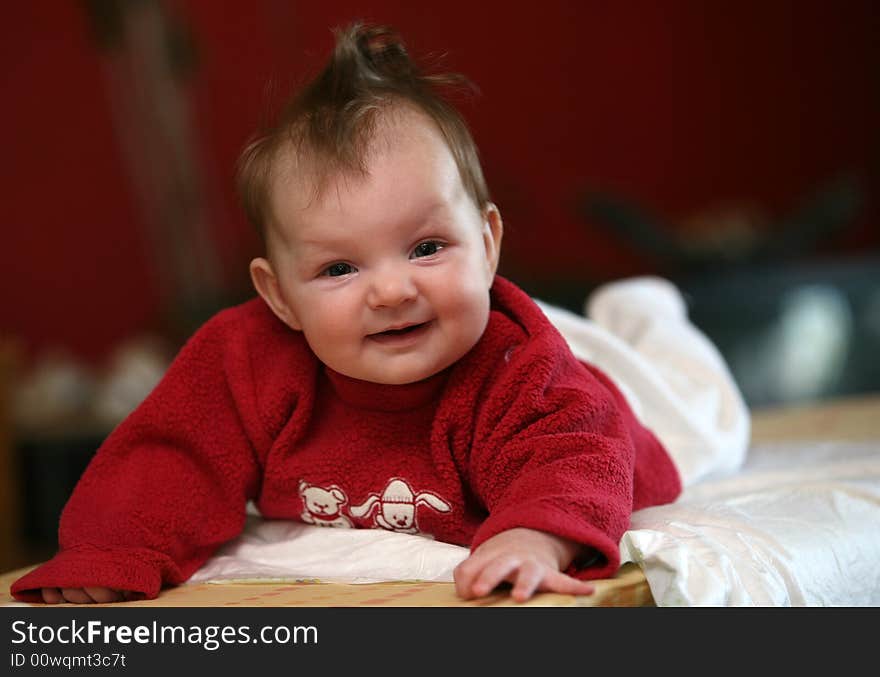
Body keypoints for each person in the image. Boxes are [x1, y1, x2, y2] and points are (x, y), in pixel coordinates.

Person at [11, 23, 746, 605]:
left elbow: (573, 454)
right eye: (339, 267)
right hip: (490, 320)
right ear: (277, 296)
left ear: (487, 243)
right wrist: (116, 549)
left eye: (426, 246)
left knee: (702, 413)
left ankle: (650, 317)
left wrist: (536, 535)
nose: (391, 290)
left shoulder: (521, 371)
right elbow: (171, 455)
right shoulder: (247, 359)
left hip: (609, 401)